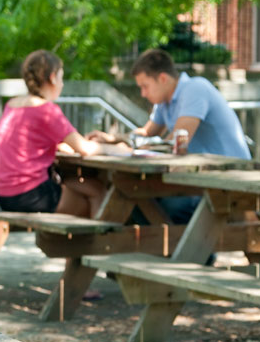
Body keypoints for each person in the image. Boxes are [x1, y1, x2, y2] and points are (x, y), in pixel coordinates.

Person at [88, 48, 250, 223]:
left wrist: (127, 146)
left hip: (230, 179)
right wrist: (113, 139)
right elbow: (146, 133)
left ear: (163, 79)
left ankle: (193, 250)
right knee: (136, 198)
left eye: (145, 86)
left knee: (164, 205)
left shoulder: (195, 89)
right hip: (203, 178)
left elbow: (174, 143)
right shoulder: (164, 102)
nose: (143, 94)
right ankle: (182, 249)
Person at [0, 50, 122, 218]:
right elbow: (85, 149)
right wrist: (118, 149)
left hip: (4, 194)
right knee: (99, 200)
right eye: (61, 77)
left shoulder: (12, 104)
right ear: (52, 78)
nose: (62, 84)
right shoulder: (46, 110)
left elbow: (33, 141)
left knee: (94, 187)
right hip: (30, 193)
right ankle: (99, 242)